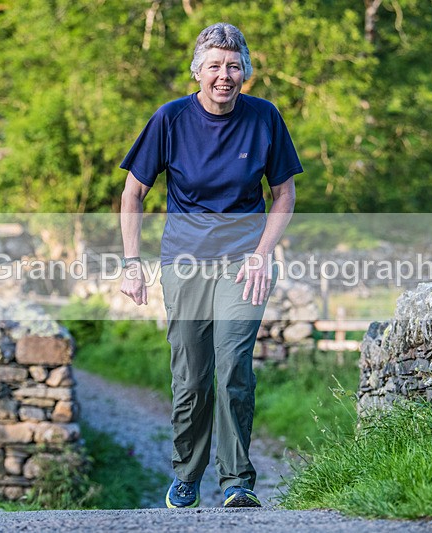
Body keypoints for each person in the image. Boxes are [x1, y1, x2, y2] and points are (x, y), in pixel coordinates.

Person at [118, 22, 302, 509]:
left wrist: (263, 255)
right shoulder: (170, 118)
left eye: (234, 65)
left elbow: (283, 194)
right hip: (185, 261)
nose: (225, 75)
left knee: (233, 368)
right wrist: (131, 263)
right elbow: (133, 192)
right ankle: (186, 472)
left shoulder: (265, 118)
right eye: (215, 66)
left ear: (246, 71)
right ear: (198, 72)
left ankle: (237, 479)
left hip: (245, 262)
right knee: (192, 376)